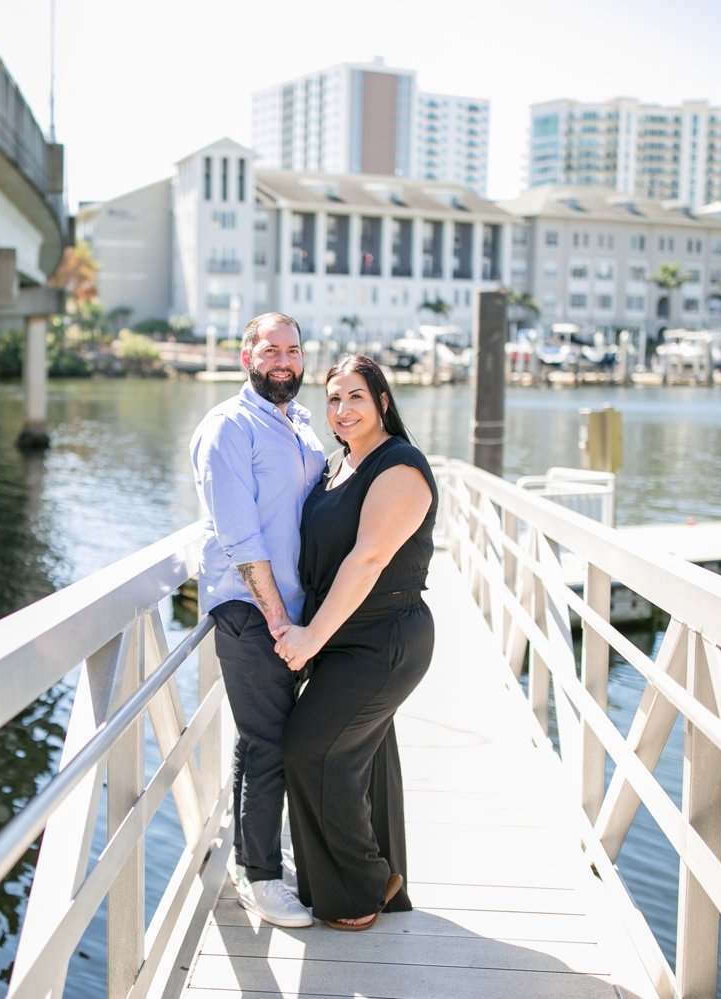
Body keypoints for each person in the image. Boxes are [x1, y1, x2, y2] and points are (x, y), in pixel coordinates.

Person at [271, 354, 436, 931]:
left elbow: (367, 559)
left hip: (383, 639)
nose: (342, 410)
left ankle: (364, 884)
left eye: (356, 398)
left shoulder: (399, 467)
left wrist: (312, 635)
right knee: (360, 756)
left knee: (311, 749)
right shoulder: (338, 465)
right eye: (334, 399)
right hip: (343, 635)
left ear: (383, 402)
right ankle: (362, 881)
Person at [189, 312, 326, 928]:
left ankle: (254, 858)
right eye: (271, 350)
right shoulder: (228, 427)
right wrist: (277, 620)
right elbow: (239, 536)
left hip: (300, 613)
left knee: (261, 739)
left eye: (293, 351)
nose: (284, 362)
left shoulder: (297, 424)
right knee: (270, 743)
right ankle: (263, 880)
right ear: (247, 356)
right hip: (253, 612)